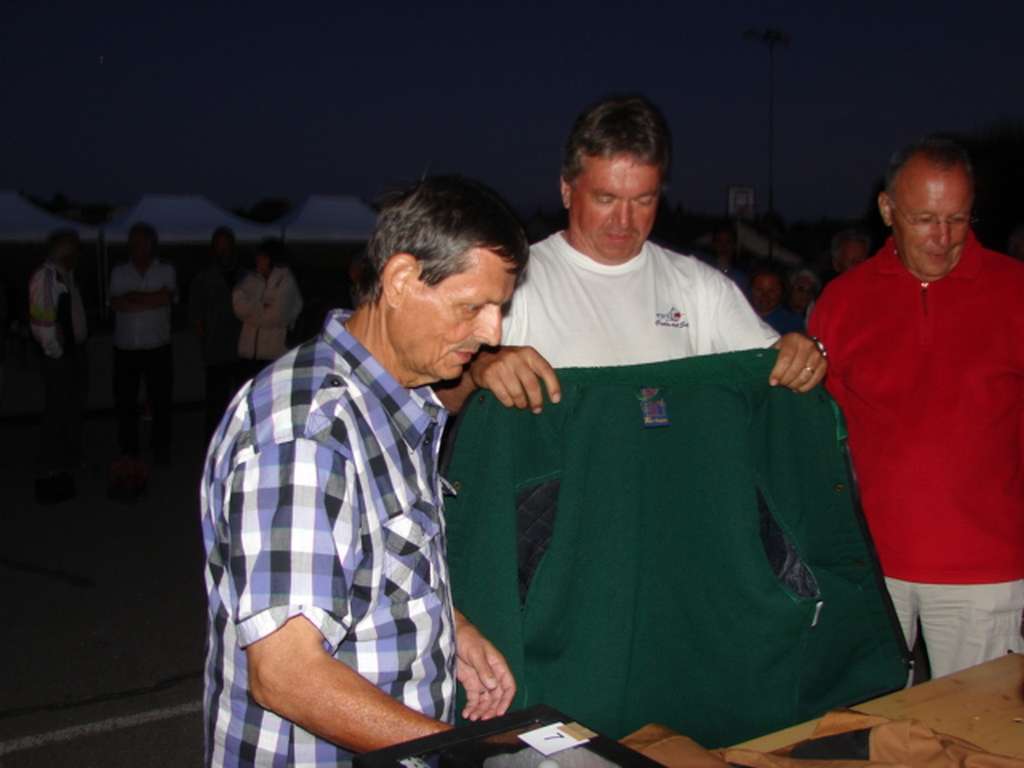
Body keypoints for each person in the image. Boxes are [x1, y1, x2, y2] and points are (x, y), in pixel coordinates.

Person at [201, 176, 523, 767]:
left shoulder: (395, 400)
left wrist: (449, 629)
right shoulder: (308, 431)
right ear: (401, 280)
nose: (492, 332)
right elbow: (288, 673)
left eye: (500, 308)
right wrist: (453, 753)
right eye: (472, 306)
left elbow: (365, 564)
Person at [438, 95, 825, 413]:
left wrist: (803, 355)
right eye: (605, 198)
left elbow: (778, 373)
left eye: (643, 199)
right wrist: (480, 370)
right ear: (567, 190)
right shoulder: (515, 281)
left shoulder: (700, 287)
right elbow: (439, 400)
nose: (624, 220)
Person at [809, 137, 1024, 679]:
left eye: (958, 218)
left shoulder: (1014, 290)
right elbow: (812, 432)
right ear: (887, 210)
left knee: (977, 738)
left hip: (988, 571)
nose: (944, 238)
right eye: (925, 218)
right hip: (869, 567)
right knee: (872, 735)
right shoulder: (842, 300)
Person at [109, 222, 177, 470]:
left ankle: (161, 448)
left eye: (140, 241)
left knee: (161, 400)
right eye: (132, 241)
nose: (135, 246)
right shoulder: (119, 272)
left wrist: (134, 298)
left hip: (157, 348)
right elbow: (117, 302)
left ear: (150, 244)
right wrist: (151, 298)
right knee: (126, 401)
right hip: (126, 349)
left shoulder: (165, 270)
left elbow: (166, 297)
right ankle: (129, 450)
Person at [29, 228, 88, 503]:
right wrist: (58, 353)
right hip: (58, 358)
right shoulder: (47, 277)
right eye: (74, 249)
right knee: (55, 415)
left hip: (69, 355)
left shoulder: (66, 276)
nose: (77, 255)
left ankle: (62, 469)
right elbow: (43, 323)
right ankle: (49, 472)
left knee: (66, 413)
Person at [189, 226, 243, 441]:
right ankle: (212, 444)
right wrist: (203, 339)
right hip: (215, 350)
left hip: (242, 349)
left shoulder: (245, 276)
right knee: (215, 403)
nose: (223, 251)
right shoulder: (203, 279)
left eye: (227, 246)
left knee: (240, 400)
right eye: (219, 247)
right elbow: (195, 313)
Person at [232, 237, 304, 379]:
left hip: (273, 357)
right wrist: (261, 306)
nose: (258, 260)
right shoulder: (251, 278)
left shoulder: (286, 281)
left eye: (262, 257)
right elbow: (238, 306)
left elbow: (276, 316)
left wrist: (250, 314)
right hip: (248, 356)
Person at [749, 266, 804, 334]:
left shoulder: (792, 322)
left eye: (772, 291)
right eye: (759, 289)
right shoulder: (740, 311)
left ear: (782, 292)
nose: (765, 295)